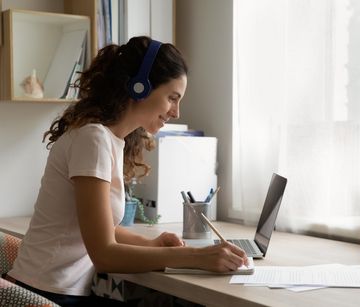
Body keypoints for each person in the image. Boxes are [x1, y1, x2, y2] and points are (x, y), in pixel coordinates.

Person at [7, 36, 248, 306]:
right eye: (172, 98)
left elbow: (100, 230)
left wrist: (153, 244)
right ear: (140, 86)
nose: (176, 112)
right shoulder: (93, 139)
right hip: (43, 296)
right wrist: (198, 257)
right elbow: (104, 254)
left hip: (59, 293)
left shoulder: (108, 140)